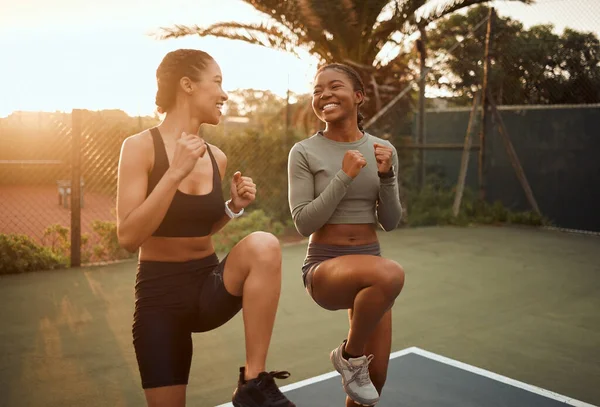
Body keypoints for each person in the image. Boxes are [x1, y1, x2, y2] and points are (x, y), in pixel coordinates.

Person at [116, 48, 295, 407]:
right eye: (217, 82)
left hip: (208, 286)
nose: (224, 94)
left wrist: (232, 208)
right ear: (187, 85)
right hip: (159, 297)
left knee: (264, 244)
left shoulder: (217, 157)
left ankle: (252, 382)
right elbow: (128, 237)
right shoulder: (139, 147)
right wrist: (175, 172)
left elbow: (197, 228)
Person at [287, 63, 405, 407]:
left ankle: (354, 364)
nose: (324, 94)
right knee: (391, 273)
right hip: (326, 268)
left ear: (358, 97)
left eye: (334, 86)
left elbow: (391, 221)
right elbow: (303, 223)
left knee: (375, 383)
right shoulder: (304, 151)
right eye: (317, 90)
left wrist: (388, 177)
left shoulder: (384, 149)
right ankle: (350, 356)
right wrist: (344, 176)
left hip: (372, 271)